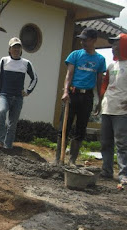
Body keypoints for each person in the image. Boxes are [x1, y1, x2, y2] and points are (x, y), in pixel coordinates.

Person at [55, 28, 106, 166]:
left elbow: (99, 82)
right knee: (64, 127)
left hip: (87, 97)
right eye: (81, 39)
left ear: (94, 40)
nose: (82, 41)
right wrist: (66, 91)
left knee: (80, 129)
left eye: (86, 39)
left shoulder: (100, 60)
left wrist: (99, 101)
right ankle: (59, 159)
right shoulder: (75, 55)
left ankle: (72, 160)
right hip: (72, 94)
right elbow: (69, 75)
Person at [0, 37, 37, 149]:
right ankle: (0, 141)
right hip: (4, 95)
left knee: (13, 122)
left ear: (21, 49)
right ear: (9, 49)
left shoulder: (26, 63)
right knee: (1, 112)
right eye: (14, 47)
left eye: (18, 47)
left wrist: (27, 91)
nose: (16, 49)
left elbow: (34, 78)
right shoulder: (4, 60)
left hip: (18, 97)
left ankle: (8, 146)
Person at [95, 33, 127, 184]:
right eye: (113, 45)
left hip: (122, 111)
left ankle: (123, 174)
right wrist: (100, 101)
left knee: (122, 143)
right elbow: (104, 85)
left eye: (116, 45)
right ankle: (107, 170)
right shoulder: (111, 66)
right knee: (105, 142)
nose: (113, 48)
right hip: (107, 108)